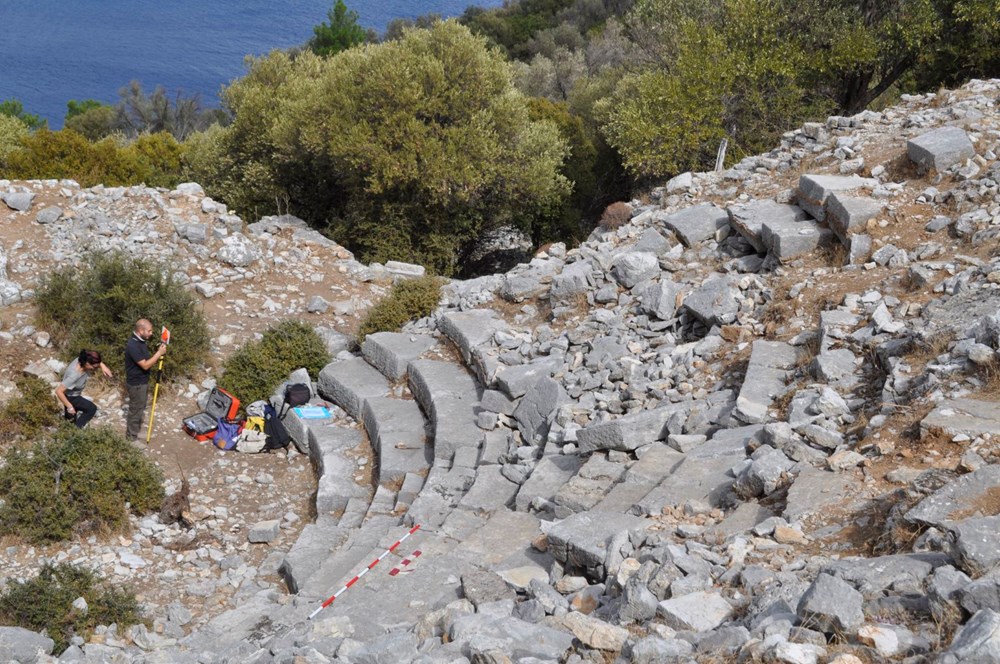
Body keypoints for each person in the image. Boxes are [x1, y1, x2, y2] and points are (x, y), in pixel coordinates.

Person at [124, 319, 167, 441]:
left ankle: (135, 432)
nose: (151, 333)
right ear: (140, 330)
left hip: (142, 381)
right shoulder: (133, 345)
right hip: (136, 384)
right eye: (149, 331)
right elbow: (145, 365)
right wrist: (159, 354)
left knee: (141, 407)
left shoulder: (141, 341)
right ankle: (131, 438)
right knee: (135, 410)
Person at [55, 349, 113, 428]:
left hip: (74, 394)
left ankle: (70, 432)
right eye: (94, 367)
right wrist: (69, 406)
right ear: (87, 364)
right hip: (71, 397)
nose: (95, 369)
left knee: (70, 422)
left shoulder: (82, 358)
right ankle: (75, 431)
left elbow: (91, 357)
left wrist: (103, 366)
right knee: (91, 409)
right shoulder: (74, 375)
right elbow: (59, 391)